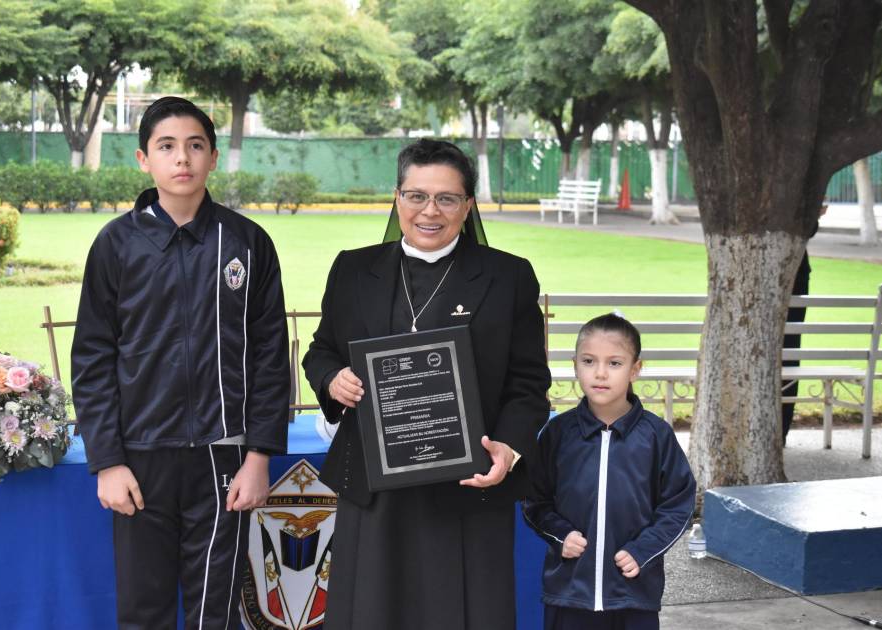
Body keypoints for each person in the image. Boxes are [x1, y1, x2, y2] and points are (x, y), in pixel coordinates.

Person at [302, 138, 551, 630]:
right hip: (375, 488)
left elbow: (528, 383)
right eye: (416, 196)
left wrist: (507, 448)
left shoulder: (508, 276)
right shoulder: (353, 268)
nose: (429, 211)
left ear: (468, 205)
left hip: (468, 486)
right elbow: (321, 352)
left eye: (446, 198)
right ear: (397, 198)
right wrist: (332, 380)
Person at [71, 96, 289, 629]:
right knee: (143, 611)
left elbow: (269, 355)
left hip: (222, 459)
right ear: (143, 159)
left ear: (213, 156)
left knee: (213, 611)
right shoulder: (116, 244)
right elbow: (93, 357)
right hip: (139, 458)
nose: (182, 158)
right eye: (166, 146)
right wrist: (108, 461)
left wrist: (259, 455)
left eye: (195, 145)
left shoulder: (247, 243)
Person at [523, 313, 696, 630]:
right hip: (569, 594)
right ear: (575, 365)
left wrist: (642, 551)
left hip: (633, 594)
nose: (600, 373)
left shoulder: (656, 436)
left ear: (635, 370)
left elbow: (678, 505)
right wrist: (561, 535)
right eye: (589, 361)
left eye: (614, 363)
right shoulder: (557, 434)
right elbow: (535, 501)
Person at [782, 204, 826, 443]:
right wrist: (812, 213)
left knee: (789, 350)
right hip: (795, 273)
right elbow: (806, 230)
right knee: (790, 349)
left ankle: (780, 428)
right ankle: (781, 428)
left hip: (794, 273)